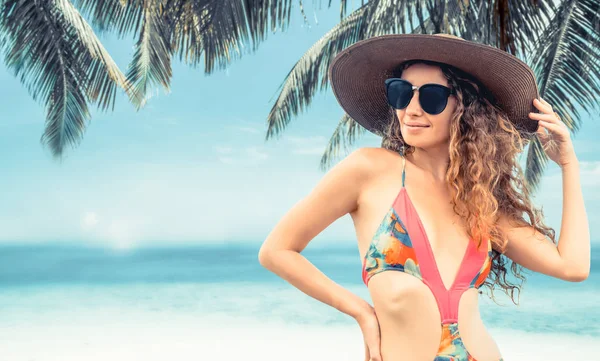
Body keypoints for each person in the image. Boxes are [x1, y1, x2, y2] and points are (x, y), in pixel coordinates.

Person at [258, 33, 590, 361]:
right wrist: (360, 310)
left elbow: (572, 266)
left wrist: (567, 164)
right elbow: (277, 251)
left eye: (431, 97)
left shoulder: (480, 201)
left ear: (465, 107)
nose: (412, 109)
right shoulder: (369, 171)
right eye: (401, 93)